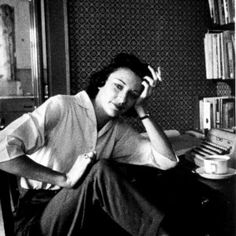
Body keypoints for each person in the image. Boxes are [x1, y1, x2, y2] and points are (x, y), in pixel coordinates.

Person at [0, 53, 212, 236]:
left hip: (82, 216)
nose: (122, 99)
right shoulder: (62, 107)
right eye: (118, 86)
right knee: (101, 171)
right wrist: (62, 179)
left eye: (133, 95)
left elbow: (167, 161)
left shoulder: (117, 130)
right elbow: (2, 150)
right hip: (37, 221)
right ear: (101, 82)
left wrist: (142, 110)